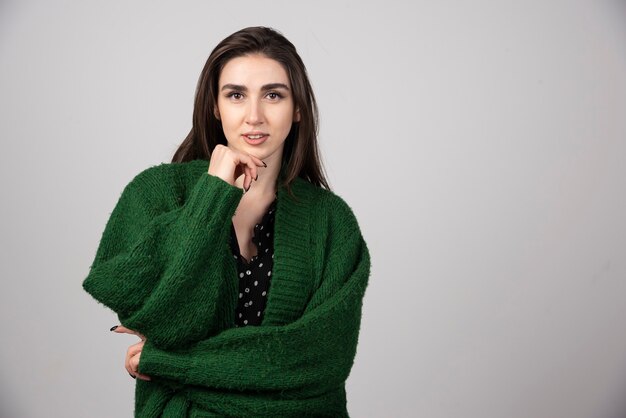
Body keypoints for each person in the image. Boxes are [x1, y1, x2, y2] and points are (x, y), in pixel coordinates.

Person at [82, 26, 371, 417]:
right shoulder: (158, 195)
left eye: (273, 95)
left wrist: (170, 364)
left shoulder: (332, 222)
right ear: (215, 107)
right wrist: (212, 197)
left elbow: (315, 364)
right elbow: (162, 317)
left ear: (298, 108)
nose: (254, 116)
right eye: (236, 95)